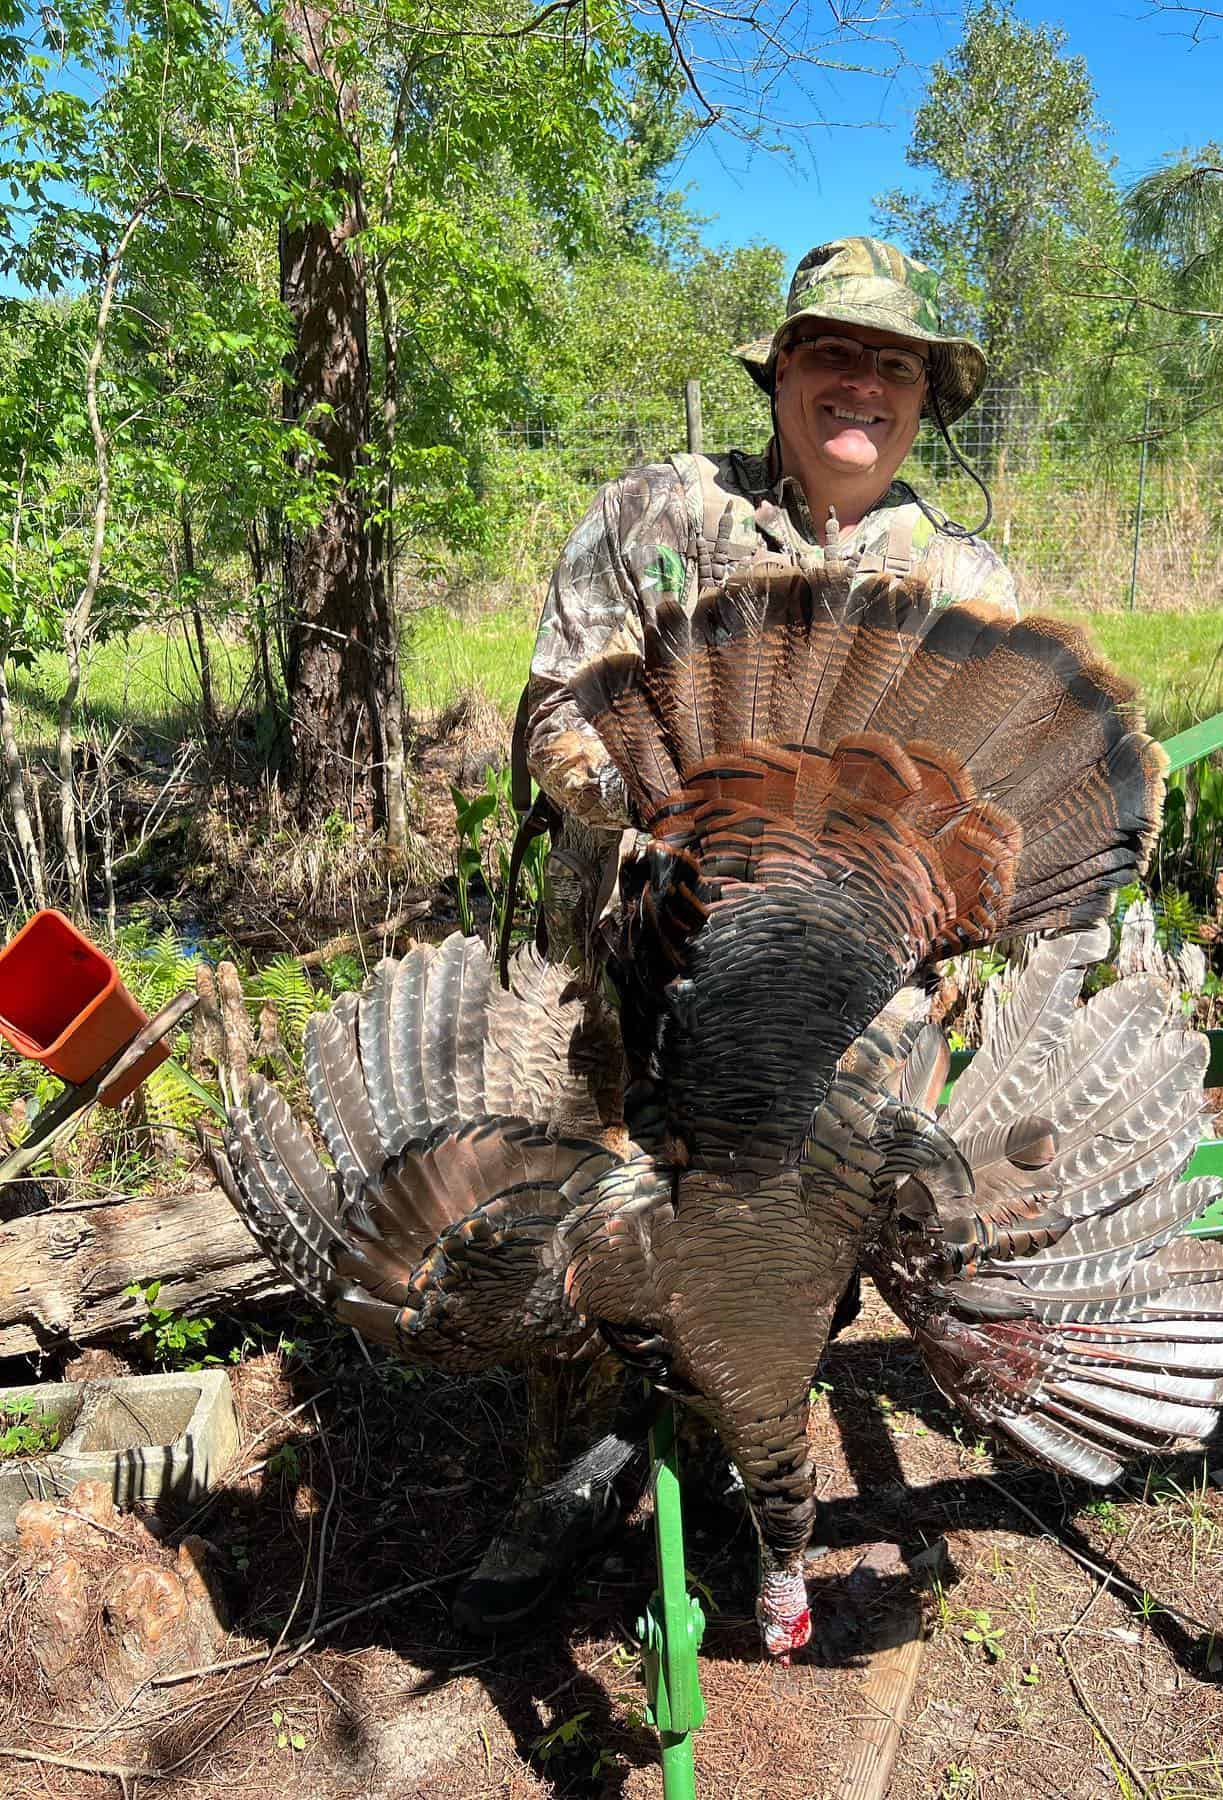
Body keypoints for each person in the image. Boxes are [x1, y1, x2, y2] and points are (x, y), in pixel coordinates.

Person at [453, 235, 1018, 1631]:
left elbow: (1002, 802)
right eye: (834, 353)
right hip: (638, 953)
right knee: (580, 1232)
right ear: (781, 375)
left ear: (925, 398)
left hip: (844, 997)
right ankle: (575, 1470)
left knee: (794, 1231)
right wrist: (647, 818)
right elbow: (554, 718)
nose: (861, 386)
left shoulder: (961, 580)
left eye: (892, 364)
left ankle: (727, 1466)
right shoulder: (661, 515)